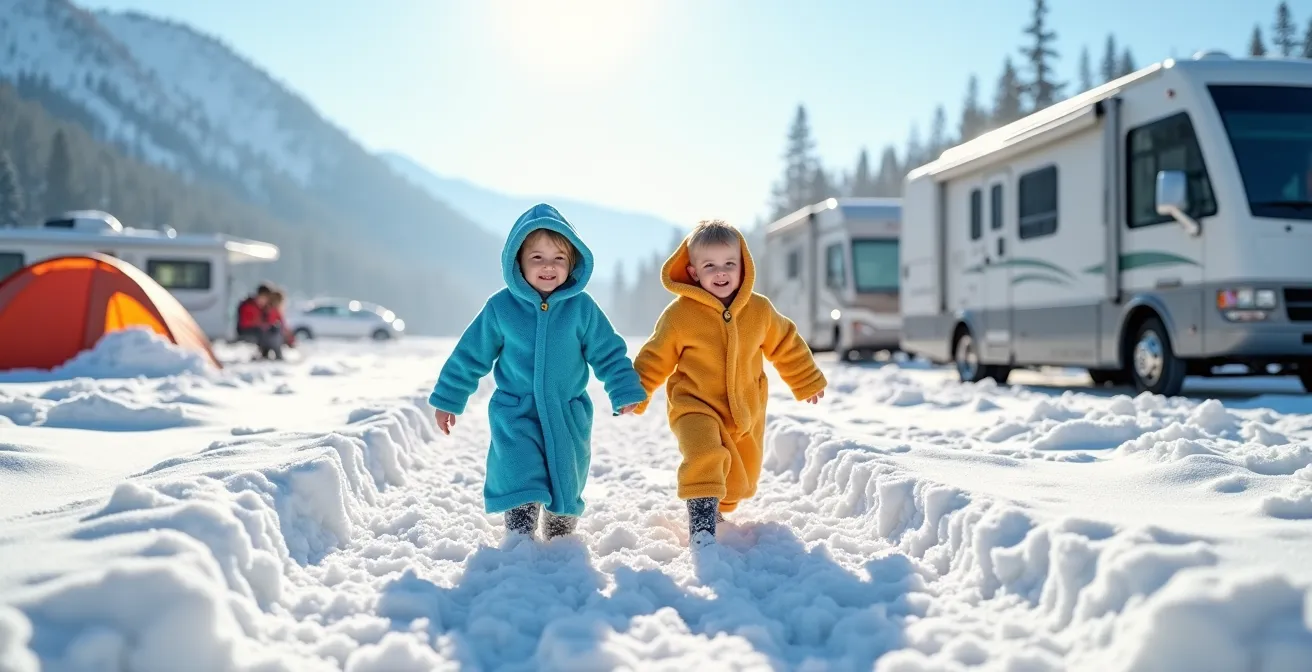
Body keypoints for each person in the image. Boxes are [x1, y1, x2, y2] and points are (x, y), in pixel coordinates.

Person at [428, 203, 647, 542]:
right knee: (519, 470)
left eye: (559, 258)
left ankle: (560, 531)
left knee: (565, 480)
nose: (548, 267)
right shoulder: (501, 308)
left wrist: (624, 388)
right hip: (515, 409)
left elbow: (608, 352)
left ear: (572, 263)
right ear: (518, 263)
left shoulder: (582, 308)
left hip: (567, 412)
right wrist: (448, 398)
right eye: (537, 258)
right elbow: (470, 356)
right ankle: (519, 531)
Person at [631, 219, 827, 548]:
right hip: (694, 406)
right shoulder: (680, 315)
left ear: (743, 266)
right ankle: (702, 522)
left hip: (744, 410)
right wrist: (634, 393)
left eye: (729, 264)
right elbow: (655, 357)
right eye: (710, 266)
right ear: (693, 272)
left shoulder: (759, 310)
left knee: (740, 480)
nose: (721, 273)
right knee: (704, 454)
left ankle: (716, 506)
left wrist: (805, 379)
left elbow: (786, 343)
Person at [235, 283, 284, 360]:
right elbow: (245, 323)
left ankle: (269, 353)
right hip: (246, 331)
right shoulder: (249, 305)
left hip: (257, 331)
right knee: (264, 333)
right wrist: (262, 324)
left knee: (273, 331)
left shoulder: (264, 307)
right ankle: (272, 354)